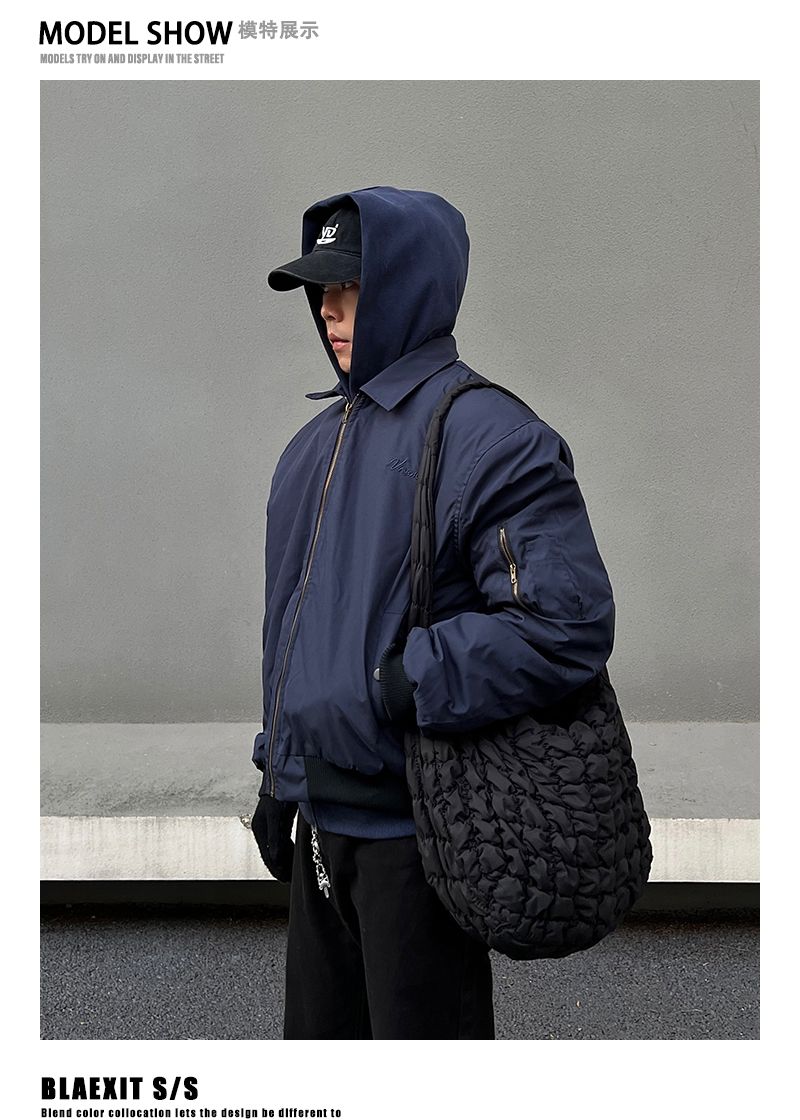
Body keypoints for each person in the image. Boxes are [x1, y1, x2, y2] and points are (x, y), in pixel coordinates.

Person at [250, 186, 615, 1040]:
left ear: (411, 287)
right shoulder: (311, 449)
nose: (331, 310)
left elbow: (563, 623)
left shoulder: (489, 436)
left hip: (417, 835)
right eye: (323, 289)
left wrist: (403, 682)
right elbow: (294, 636)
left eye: (353, 287)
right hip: (318, 827)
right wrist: (278, 775)